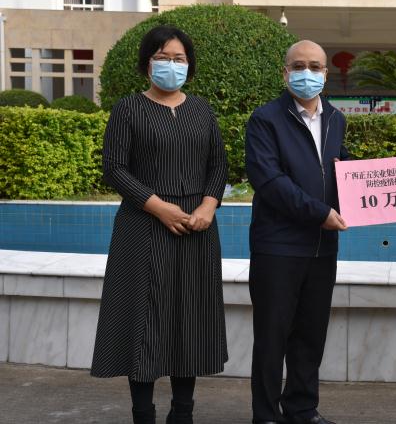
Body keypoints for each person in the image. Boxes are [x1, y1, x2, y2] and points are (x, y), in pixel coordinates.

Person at [91, 25, 229, 424]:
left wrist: (208, 206)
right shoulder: (128, 108)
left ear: (190, 64)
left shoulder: (201, 110)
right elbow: (115, 168)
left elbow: (218, 164)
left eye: (179, 58)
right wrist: (159, 207)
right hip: (143, 225)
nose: (172, 65)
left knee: (190, 320)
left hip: (197, 229)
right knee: (144, 320)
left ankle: (182, 413)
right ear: (147, 63)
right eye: (163, 57)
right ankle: (143, 414)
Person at [245, 40, 348, 424]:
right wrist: (319, 213)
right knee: (272, 337)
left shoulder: (335, 118)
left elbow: (339, 170)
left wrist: (371, 189)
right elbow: (269, 181)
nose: (308, 73)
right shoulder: (265, 120)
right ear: (285, 72)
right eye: (299, 66)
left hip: (322, 247)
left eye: (315, 66)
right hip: (279, 247)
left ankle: (302, 409)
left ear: (326, 73)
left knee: (310, 335)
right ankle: (266, 415)